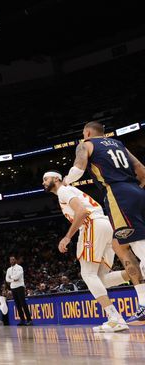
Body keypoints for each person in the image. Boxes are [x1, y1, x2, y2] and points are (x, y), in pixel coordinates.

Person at [62, 121, 145, 323]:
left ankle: (143, 302)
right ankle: (142, 301)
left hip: (118, 194)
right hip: (137, 191)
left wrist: (67, 180)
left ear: (88, 132)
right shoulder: (118, 144)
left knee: (137, 246)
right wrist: (137, 188)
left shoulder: (86, 144)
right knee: (119, 245)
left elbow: (78, 168)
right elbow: (141, 169)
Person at [43, 170, 129, 332]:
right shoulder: (69, 190)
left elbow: (82, 212)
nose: (43, 182)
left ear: (56, 178)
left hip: (92, 224)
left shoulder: (63, 190)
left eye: (45, 179)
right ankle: (138, 274)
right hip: (105, 225)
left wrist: (67, 237)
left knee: (88, 274)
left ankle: (115, 318)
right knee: (101, 279)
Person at [5, 255, 32, 325]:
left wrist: (11, 278)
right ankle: (22, 320)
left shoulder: (19, 267)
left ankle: (29, 320)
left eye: (13, 259)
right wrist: (13, 279)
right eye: (11, 260)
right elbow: (6, 279)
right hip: (13, 288)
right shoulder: (8, 269)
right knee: (17, 305)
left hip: (20, 287)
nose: (12, 261)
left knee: (23, 304)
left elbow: (18, 276)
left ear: (15, 260)